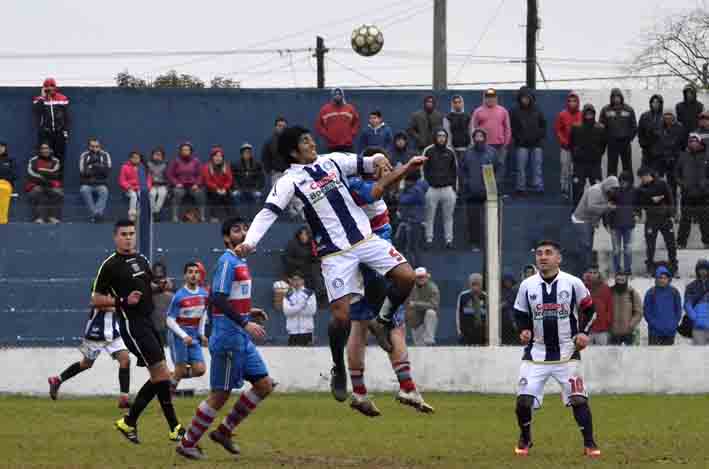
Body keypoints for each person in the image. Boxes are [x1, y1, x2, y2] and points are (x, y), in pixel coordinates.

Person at [234, 126, 422, 403]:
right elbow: (268, 212)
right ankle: (339, 369)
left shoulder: (331, 160)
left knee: (406, 277)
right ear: (293, 151)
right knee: (341, 317)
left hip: (365, 240)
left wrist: (383, 161)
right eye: (305, 141)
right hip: (335, 254)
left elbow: (366, 162)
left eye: (311, 138)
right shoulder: (289, 181)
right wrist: (250, 242)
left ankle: (382, 320)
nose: (312, 143)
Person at [176, 217, 273, 460]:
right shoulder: (227, 261)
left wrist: (249, 312)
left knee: (264, 385)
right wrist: (244, 322)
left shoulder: (240, 261)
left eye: (245, 228)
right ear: (227, 238)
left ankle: (224, 431)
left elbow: (224, 299)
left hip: (240, 336)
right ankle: (187, 443)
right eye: (237, 230)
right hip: (229, 338)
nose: (243, 233)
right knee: (220, 395)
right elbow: (217, 298)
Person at [345, 156, 434, 414]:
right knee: (394, 324)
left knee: (359, 325)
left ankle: (359, 392)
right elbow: (384, 186)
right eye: (383, 165)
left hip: (357, 265)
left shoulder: (352, 189)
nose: (388, 169)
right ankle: (407, 386)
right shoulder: (366, 190)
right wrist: (406, 167)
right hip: (376, 265)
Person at [92, 219, 183, 444]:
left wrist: (159, 286)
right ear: (115, 237)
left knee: (160, 376)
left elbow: (147, 288)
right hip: (132, 325)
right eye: (123, 234)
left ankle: (130, 422)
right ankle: (175, 427)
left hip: (148, 321)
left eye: (131, 233)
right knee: (162, 375)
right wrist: (123, 300)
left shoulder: (141, 259)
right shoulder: (110, 265)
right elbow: (95, 299)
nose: (128, 237)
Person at [513, 240, 601, 458]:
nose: (543, 257)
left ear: (558, 258)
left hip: (567, 353)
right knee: (523, 401)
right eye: (540, 253)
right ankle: (525, 438)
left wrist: (583, 333)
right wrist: (523, 329)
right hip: (535, 354)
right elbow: (519, 313)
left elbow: (590, 310)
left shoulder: (573, 283)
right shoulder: (527, 285)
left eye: (548, 253)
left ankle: (590, 443)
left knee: (578, 399)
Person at [48, 283, 131, 409]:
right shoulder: (100, 283)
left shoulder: (118, 283)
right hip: (96, 332)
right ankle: (57, 380)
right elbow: (95, 302)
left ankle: (124, 398)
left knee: (125, 359)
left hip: (113, 332)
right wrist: (119, 307)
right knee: (86, 364)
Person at [166, 262, 209, 393]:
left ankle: (169, 377)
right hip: (179, 336)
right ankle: (168, 394)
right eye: (190, 272)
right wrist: (183, 336)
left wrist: (201, 333)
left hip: (194, 336)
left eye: (196, 272)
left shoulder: (204, 294)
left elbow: (203, 315)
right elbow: (169, 320)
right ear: (185, 275)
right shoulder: (179, 296)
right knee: (181, 369)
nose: (193, 275)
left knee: (200, 369)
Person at [570, 176, 619, 277]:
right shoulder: (595, 191)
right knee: (585, 246)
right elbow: (591, 207)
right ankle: (581, 272)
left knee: (588, 248)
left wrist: (605, 224)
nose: (613, 191)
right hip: (580, 220)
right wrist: (607, 207)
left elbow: (601, 211)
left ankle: (587, 271)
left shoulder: (606, 193)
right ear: (608, 185)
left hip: (590, 222)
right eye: (612, 189)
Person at [460, 128, 499, 250]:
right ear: (473, 138)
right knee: (473, 221)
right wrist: (467, 184)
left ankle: (491, 244)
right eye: (476, 137)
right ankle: (474, 244)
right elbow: (462, 171)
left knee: (491, 220)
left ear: (485, 138)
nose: (479, 139)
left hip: (489, 192)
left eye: (481, 137)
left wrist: (495, 183)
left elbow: (499, 169)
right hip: (472, 194)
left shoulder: (492, 152)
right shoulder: (467, 153)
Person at [636, 166, 678, 277]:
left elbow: (670, 198)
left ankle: (674, 267)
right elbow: (639, 202)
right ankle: (649, 268)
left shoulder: (662, 184)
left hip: (665, 219)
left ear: (648, 174)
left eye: (643, 177)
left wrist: (672, 213)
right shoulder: (641, 188)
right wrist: (651, 200)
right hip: (651, 219)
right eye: (641, 178)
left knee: (671, 244)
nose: (642, 179)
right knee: (650, 245)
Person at [422, 128, 458, 250]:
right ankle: (429, 239)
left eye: (444, 136)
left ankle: (449, 240)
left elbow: (455, 171)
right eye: (439, 136)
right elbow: (423, 169)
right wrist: (426, 186)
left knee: (448, 216)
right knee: (429, 215)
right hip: (432, 189)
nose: (441, 138)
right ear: (435, 137)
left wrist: (454, 188)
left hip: (447, 189)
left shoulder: (450, 152)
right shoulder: (428, 151)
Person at [471, 89, 511, 193]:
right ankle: (487, 192)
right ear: (484, 98)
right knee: (486, 169)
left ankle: (499, 192)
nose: (490, 99)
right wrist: (475, 143)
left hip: (500, 146)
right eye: (488, 97)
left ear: (496, 98)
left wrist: (505, 144)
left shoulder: (503, 111)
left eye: (492, 97)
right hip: (484, 146)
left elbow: (507, 128)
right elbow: (473, 129)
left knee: (500, 169)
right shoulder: (478, 111)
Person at [510, 86, 547, 195]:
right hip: (521, 144)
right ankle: (521, 188)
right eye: (523, 98)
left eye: (527, 97)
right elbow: (512, 127)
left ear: (531, 98)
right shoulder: (514, 111)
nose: (525, 100)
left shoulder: (538, 110)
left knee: (537, 167)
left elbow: (543, 125)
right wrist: (519, 137)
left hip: (537, 143)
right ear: (520, 98)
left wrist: (539, 136)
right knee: (520, 167)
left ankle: (538, 187)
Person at [675, 133, 709, 249]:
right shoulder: (683, 156)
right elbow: (676, 174)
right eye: (690, 141)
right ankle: (681, 243)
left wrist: (706, 184)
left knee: (705, 220)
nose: (692, 143)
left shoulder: (706, 156)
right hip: (687, 194)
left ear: (699, 143)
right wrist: (682, 184)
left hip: (703, 194)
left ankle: (707, 242)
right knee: (685, 220)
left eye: (695, 141)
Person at [570, 104, 607, 207]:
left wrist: (598, 153)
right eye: (587, 113)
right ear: (583, 114)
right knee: (577, 189)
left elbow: (604, 144)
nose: (589, 115)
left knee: (598, 189)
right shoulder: (576, 127)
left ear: (594, 114)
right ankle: (576, 212)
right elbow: (571, 143)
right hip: (579, 164)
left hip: (594, 164)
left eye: (591, 113)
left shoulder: (600, 127)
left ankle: (599, 214)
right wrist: (576, 155)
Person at [32, 78, 70, 169]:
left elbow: (67, 117)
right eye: (47, 86)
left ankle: (58, 181)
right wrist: (42, 97)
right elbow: (37, 111)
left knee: (59, 158)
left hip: (59, 133)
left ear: (55, 87)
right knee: (44, 156)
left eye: (52, 86)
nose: (49, 88)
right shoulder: (39, 99)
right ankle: (44, 178)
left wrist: (66, 131)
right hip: (46, 133)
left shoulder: (62, 98)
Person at [599, 88, 637, 177]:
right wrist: (607, 139)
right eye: (614, 97)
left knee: (627, 167)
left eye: (618, 97)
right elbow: (601, 127)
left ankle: (629, 186)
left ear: (621, 97)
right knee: (611, 167)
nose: (616, 99)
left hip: (625, 143)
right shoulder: (606, 109)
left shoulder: (628, 109)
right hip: (612, 143)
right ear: (611, 98)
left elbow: (634, 126)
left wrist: (629, 138)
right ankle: (611, 188)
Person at [395, 170, 428, 268]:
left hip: (414, 222)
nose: (405, 182)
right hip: (409, 222)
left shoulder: (416, 190)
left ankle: (416, 268)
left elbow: (402, 199)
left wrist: (400, 192)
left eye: (406, 180)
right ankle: (410, 267)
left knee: (413, 248)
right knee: (407, 247)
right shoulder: (414, 188)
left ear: (411, 181)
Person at [606, 171, 636, 273]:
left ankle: (627, 269)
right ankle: (617, 269)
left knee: (628, 249)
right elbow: (608, 209)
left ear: (629, 182)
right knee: (616, 250)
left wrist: (637, 214)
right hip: (615, 225)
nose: (623, 183)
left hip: (628, 225)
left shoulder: (634, 191)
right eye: (621, 181)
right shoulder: (613, 192)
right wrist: (607, 223)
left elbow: (637, 206)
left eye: (625, 181)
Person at [650, 111, 685, 200]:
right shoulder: (659, 127)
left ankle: (673, 204)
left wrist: (676, 154)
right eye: (666, 118)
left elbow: (681, 143)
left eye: (670, 117)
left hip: (674, 158)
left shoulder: (679, 127)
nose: (668, 119)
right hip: (661, 159)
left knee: (672, 183)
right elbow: (655, 141)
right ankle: (661, 201)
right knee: (658, 182)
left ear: (673, 117)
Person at [643, 265, 682, 346]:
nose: (662, 280)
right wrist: (654, 325)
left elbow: (678, 310)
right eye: (660, 277)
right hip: (654, 332)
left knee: (668, 357)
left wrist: (674, 324)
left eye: (665, 278)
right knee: (654, 357)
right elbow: (647, 312)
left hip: (670, 331)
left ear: (668, 279)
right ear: (656, 279)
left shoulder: (674, 292)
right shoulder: (651, 293)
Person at [25, 142, 63, 224]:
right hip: (37, 184)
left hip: (50, 185)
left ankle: (52, 217)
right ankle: (39, 218)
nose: (45, 150)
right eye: (42, 148)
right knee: (37, 192)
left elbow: (55, 174)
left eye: (46, 148)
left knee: (58, 193)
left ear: (50, 150)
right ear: (39, 150)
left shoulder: (55, 160)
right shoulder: (33, 160)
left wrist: (41, 171)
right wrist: (45, 177)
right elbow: (31, 174)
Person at [554, 91, 582, 199]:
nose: (572, 103)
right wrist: (563, 142)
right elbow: (558, 130)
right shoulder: (562, 114)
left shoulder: (581, 114)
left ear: (577, 102)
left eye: (574, 101)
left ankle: (576, 190)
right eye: (570, 101)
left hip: (577, 149)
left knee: (576, 170)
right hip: (565, 148)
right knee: (564, 169)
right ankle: (564, 190)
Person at [168, 143, 205, 223]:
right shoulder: (175, 161)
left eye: (187, 150)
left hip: (193, 186)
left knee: (200, 193)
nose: (185, 151)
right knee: (177, 193)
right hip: (180, 186)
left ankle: (202, 216)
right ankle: (175, 216)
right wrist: (176, 183)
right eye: (183, 150)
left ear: (191, 151)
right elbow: (170, 175)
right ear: (180, 151)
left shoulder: (196, 161)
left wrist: (197, 184)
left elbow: (200, 175)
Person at [315, 88, 360, 152]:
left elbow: (356, 122)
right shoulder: (325, 109)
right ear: (332, 96)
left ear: (342, 96)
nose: (337, 95)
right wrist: (327, 135)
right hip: (331, 145)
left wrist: (351, 134)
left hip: (347, 145)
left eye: (339, 94)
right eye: (335, 94)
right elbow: (319, 124)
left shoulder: (350, 108)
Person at [79, 138, 112, 223]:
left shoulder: (105, 154)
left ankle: (96, 215)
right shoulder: (84, 155)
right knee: (83, 190)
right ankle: (97, 214)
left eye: (97, 146)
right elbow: (83, 171)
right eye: (92, 146)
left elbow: (107, 171)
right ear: (89, 146)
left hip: (100, 183)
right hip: (87, 183)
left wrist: (91, 167)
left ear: (100, 146)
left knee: (104, 191)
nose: (94, 148)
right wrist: (98, 167)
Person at [406, 267, 440, 346]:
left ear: (426, 277)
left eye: (422, 277)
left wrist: (415, 304)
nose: (421, 279)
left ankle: (429, 339)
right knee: (420, 346)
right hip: (415, 321)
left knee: (431, 313)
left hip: (427, 319)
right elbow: (406, 305)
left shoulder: (433, 288)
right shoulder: (409, 288)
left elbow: (434, 305)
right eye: (418, 277)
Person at [282, 226, 322, 295]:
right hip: (295, 270)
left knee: (316, 271)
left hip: (308, 270)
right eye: (302, 234)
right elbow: (286, 258)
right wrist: (299, 263)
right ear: (299, 235)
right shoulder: (293, 244)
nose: (304, 236)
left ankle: (319, 293)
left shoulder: (311, 244)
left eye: (306, 234)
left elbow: (314, 258)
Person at [282, 271, 317, 346]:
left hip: (307, 331)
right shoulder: (288, 295)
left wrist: (294, 308)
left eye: (298, 279)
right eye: (294, 280)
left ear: (302, 281)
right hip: (292, 331)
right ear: (291, 281)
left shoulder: (310, 294)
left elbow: (311, 311)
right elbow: (287, 312)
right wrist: (302, 306)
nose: (296, 282)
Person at [609, 271, 642, 345]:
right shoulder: (610, 292)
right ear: (615, 280)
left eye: (622, 280)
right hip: (613, 332)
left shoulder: (632, 293)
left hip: (628, 332)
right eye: (618, 280)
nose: (620, 282)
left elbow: (638, 312)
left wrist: (631, 324)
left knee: (630, 355)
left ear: (626, 280)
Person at [201, 145, 233, 223]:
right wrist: (216, 189)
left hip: (224, 189)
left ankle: (231, 217)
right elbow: (207, 181)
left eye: (220, 156)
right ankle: (213, 217)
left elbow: (229, 180)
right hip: (212, 189)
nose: (218, 158)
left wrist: (225, 188)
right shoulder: (206, 167)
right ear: (212, 157)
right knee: (214, 196)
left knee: (228, 196)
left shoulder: (226, 166)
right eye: (216, 156)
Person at [582, 267, 613, 346]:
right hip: (587, 330)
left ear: (599, 274)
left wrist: (607, 322)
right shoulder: (582, 288)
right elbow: (579, 308)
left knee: (603, 353)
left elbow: (609, 307)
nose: (592, 275)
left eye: (595, 273)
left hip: (602, 329)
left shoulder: (605, 288)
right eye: (590, 272)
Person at [456, 273, 488, 345]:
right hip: (466, 333)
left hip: (481, 334)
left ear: (481, 285)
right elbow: (458, 314)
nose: (475, 287)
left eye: (477, 284)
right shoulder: (463, 296)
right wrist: (459, 332)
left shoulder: (486, 297)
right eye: (473, 284)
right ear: (469, 284)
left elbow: (489, 316)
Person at [232, 143, 266, 207]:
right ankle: (238, 215)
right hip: (240, 189)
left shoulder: (257, 164)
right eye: (245, 152)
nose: (247, 154)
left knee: (258, 195)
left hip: (253, 189)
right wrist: (236, 189)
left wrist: (257, 189)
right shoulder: (235, 165)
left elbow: (261, 179)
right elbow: (233, 179)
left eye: (249, 152)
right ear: (241, 154)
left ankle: (256, 214)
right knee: (235, 195)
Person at [684, 259, 709, 345]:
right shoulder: (691, 286)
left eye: (705, 269)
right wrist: (694, 317)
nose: (703, 271)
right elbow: (687, 304)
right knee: (699, 352)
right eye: (700, 269)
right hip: (698, 325)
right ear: (697, 270)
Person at [262, 116, 289, 188]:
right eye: (280, 126)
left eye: (284, 126)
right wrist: (270, 171)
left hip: (290, 173)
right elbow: (265, 158)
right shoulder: (269, 142)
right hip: (276, 174)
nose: (282, 128)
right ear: (275, 127)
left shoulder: (291, 142)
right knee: (277, 196)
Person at [638, 95, 665, 168]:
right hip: (647, 150)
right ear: (650, 103)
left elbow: (667, 132)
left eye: (657, 102)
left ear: (661, 104)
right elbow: (640, 131)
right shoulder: (644, 116)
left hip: (660, 151)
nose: (655, 104)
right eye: (653, 102)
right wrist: (642, 143)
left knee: (657, 174)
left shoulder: (664, 116)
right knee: (646, 173)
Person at [443, 95, 471, 161]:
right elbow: (447, 133)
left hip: (466, 149)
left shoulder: (468, 117)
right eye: (455, 102)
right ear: (452, 104)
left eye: (459, 102)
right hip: (453, 149)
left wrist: (470, 146)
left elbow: (471, 131)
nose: (457, 104)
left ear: (462, 103)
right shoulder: (447, 118)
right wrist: (449, 147)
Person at [118, 151, 143, 222]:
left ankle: (141, 214)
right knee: (133, 195)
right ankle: (131, 214)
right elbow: (122, 181)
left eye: (137, 158)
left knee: (142, 195)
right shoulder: (124, 167)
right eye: (134, 158)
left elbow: (148, 179)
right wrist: (129, 187)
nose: (136, 159)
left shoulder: (143, 168)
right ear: (130, 159)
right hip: (128, 189)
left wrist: (145, 187)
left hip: (139, 188)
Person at [146, 147, 169, 222]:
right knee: (152, 194)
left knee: (162, 194)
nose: (157, 156)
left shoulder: (166, 164)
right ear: (152, 155)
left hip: (162, 185)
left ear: (162, 157)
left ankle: (156, 211)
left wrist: (168, 186)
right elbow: (146, 176)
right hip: (151, 185)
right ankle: (152, 213)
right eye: (155, 154)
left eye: (159, 155)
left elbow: (168, 176)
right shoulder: (148, 164)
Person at [0, 140, 17, 224]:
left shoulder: (10, 160)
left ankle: (2, 219)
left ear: (5, 148)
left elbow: (14, 175)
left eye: (1, 146)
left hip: (5, 184)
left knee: (2, 189)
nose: (0, 148)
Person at [500, 273, 519, 345]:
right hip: (503, 320)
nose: (507, 283)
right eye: (506, 281)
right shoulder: (500, 292)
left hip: (513, 319)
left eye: (509, 281)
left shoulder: (515, 291)